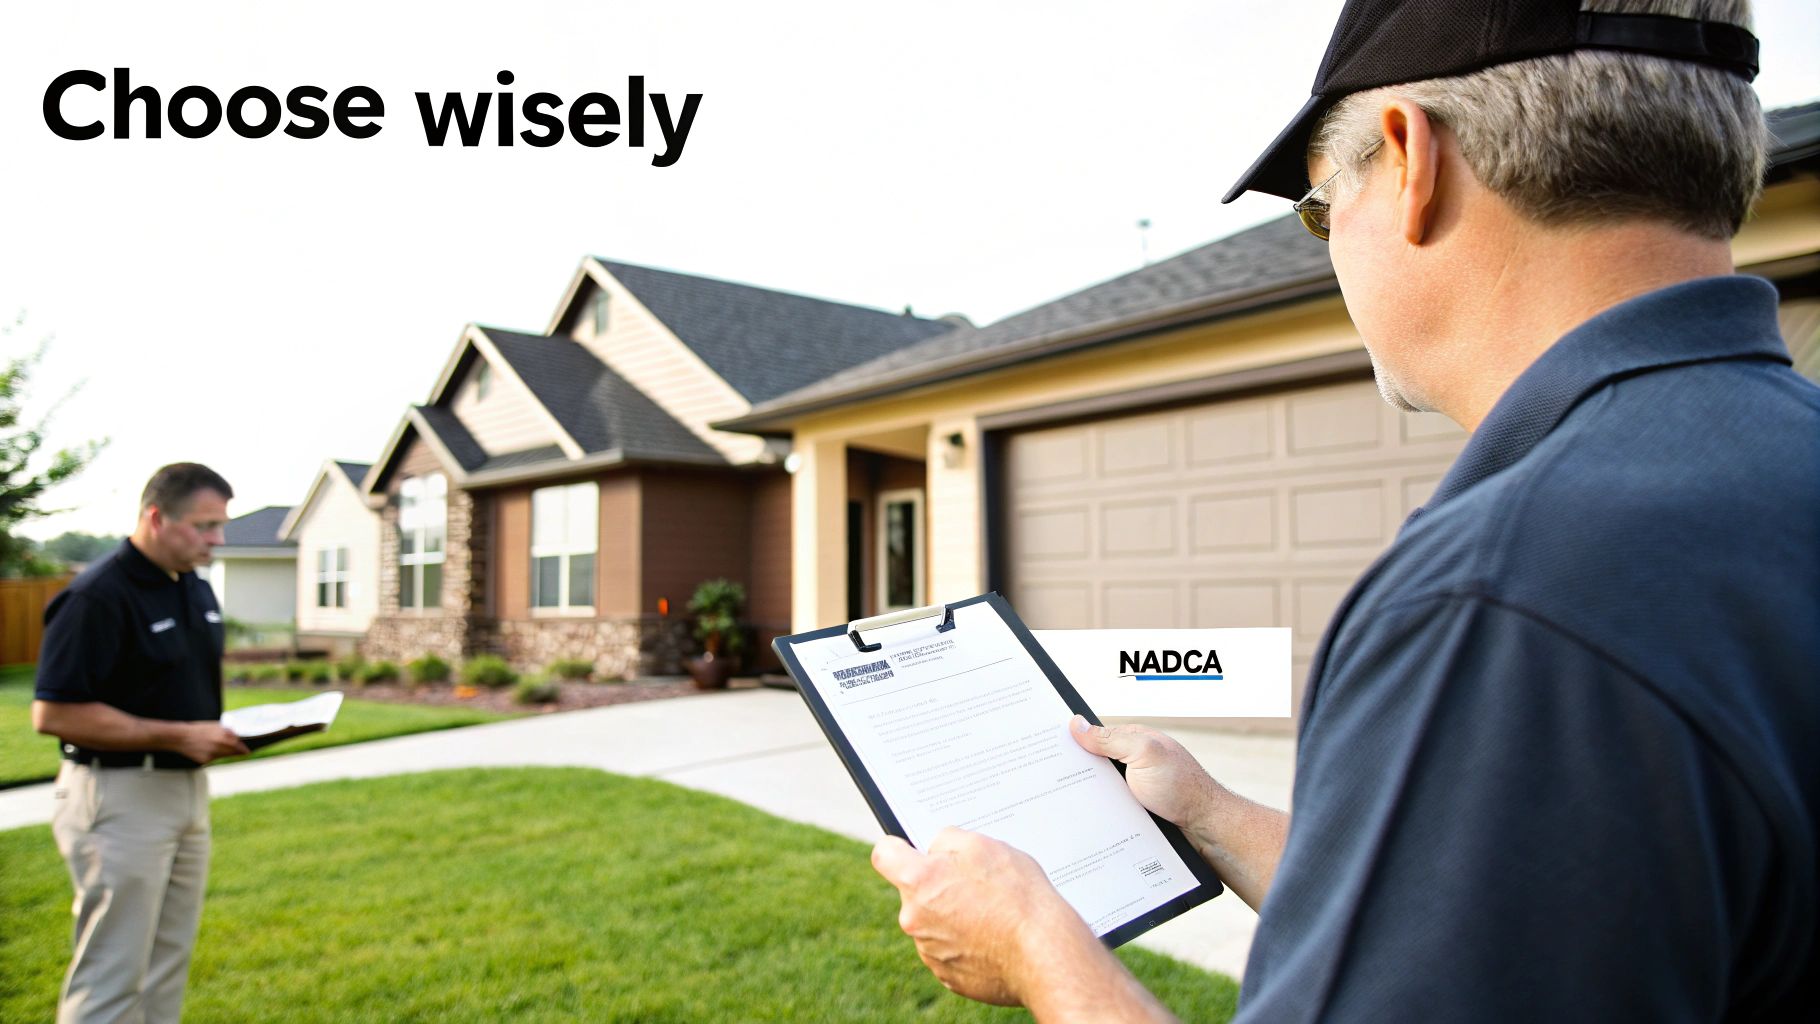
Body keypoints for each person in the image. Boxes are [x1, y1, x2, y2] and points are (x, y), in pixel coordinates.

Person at [870, 1, 1818, 1020]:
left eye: (1321, 206)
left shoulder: (1504, 602)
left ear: (1410, 159)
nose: (1329, 247)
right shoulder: (1780, 462)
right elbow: (1487, 922)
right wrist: (1209, 812)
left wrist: (1032, 944)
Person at [32, 463, 250, 1024]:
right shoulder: (97, 596)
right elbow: (53, 713)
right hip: (118, 796)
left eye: (220, 525)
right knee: (113, 972)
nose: (217, 539)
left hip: (185, 792)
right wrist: (179, 735)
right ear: (156, 518)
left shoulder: (194, 587)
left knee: (165, 966)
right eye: (204, 525)